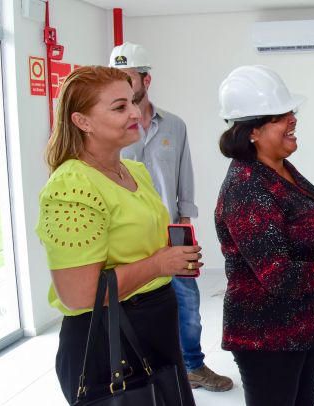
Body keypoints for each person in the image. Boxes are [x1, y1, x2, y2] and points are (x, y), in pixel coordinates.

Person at [36, 66, 199, 405]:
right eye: (120, 107)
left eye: (132, 103)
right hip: (109, 341)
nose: (136, 113)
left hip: (156, 329)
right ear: (83, 121)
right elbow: (79, 295)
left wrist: (174, 254)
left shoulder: (134, 171)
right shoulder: (72, 186)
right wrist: (159, 264)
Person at [214, 65, 314, 406]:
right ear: (252, 131)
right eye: (281, 116)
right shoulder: (246, 187)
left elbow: (296, 234)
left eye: (292, 112)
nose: (293, 120)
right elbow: (281, 277)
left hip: (301, 326)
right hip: (267, 336)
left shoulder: (280, 167)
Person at [109, 42, 233, 392]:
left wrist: (186, 221)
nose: (119, 84)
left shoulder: (173, 126)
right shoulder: (114, 129)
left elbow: (184, 174)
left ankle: (193, 365)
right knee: (136, 306)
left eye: (127, 77)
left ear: (146, 80)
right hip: (130, 236)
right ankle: (144, 371)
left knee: (188, 303)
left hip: (171, 231)